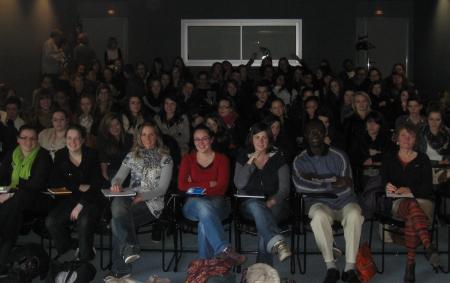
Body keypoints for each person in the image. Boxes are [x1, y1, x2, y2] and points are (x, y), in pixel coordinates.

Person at [292, 120, 364, 283]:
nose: (315, 135)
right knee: (318, 217)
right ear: (305, 136)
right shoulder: (299, 160)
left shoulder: (340, 155)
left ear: (325, 134)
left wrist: (315, 180)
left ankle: (349, 268)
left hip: (345, 201)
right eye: (311, 132)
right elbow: (300, 187)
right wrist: (332, 182)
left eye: (318, 131)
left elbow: (347, 187)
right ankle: (331, 267)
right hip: (318, 204)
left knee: (354, 214)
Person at [108, 122, 173, 279]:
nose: (147, 138)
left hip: (151, 203)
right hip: (130, 197)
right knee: (117, 204)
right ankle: (129, 248)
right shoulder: (132, 156)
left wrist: (142, 197)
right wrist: (116, 184)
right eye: (144, 135)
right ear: (139, 137)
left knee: (117, 220)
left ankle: (121, 270)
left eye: (151, 134)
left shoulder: (165, 159)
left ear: (156, 136)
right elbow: (118, 176)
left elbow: (162, 189)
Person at [380, 124, 440, 282]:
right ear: (397, 139)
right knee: (411, 207)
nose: (407, 139)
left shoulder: (423, 159)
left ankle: (411, 265)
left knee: (413, 210)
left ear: (415, 140)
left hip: (423, 201)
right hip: (398, 202)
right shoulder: (389, 158)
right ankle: (427, 247)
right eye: (404, 135)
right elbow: (383, 183)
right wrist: (388, 187)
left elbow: (427, 188)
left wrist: (408, 190)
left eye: (411, 136)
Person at [178, 126, 245, 264]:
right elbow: (182, 186)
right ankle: (223, 248)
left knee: (204, 219)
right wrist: (209, 184)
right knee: (203, 205)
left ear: (212, 140)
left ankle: (205, 264)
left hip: (219, 203)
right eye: (197, 139)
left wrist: (195, 185)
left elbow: (221, 188)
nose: (201, 142)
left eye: (205, 138)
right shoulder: (188, 159)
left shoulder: (222, 159)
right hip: (192, 205)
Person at [234, 123, 292, 265]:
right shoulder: (243, 155)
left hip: (276, 202)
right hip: (250, 204)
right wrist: (251, 161)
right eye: (257, 137)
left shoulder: (278, 156)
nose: (261, 141)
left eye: (264, 137)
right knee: (257, 208)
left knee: (264, 221)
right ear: (251, 139)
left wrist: (273, 200)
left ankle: (273, 249)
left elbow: (285, 188)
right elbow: (239, 184)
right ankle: (277, 243)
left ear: (269, 139)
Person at [46, 125, 104, 262]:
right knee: (51, 221)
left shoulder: (92, 154)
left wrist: (81, 205)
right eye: (69, 138)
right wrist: (78, 186)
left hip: (91, 199)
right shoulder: (60, 155)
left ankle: (85, 258)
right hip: (70, 198)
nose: (73, 142)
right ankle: (73, 245)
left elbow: (96, 185)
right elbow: (55, 182)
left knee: (83, 220)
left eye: (77, 138)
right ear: (65, 139)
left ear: (83, 140)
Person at [0, 125, 52, 276]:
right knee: (12, 209)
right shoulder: (12, 154)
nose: (28, 142)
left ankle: (3, 255)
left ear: (37, 140)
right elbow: (2, 177)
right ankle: (4, 254)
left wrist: (10, 190)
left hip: (37, 200)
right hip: (14, 203)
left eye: (32, 138)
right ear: (18, 139)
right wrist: (4, 190)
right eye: (24, 138)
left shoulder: (43, 156)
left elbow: (37, 184)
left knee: (14, 202)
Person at [96, 113, 133, 185]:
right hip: (113, 171)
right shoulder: (104, 140)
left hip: (129, 170)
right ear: (106, 127)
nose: (115, 128)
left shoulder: (129, 138)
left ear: (121, 124)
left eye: (117, 124)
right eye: (111, 126)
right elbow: (103, 159)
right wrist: (105, 174)